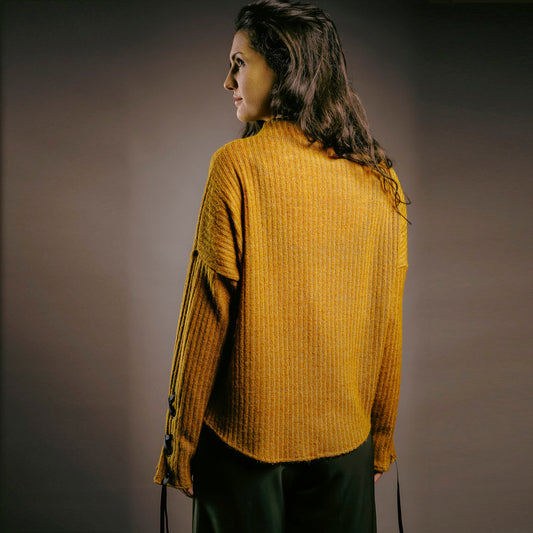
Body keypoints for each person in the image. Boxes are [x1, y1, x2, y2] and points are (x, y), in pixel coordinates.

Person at [154, 1, 410, 531]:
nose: (228, 81)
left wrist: (180, 445)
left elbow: (206, 316)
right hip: (346, 448)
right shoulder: (381, 179)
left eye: (239, 63)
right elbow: (387, 323)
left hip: (242, 448)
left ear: (284, 66)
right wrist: (380, 440)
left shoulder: (237, 166)